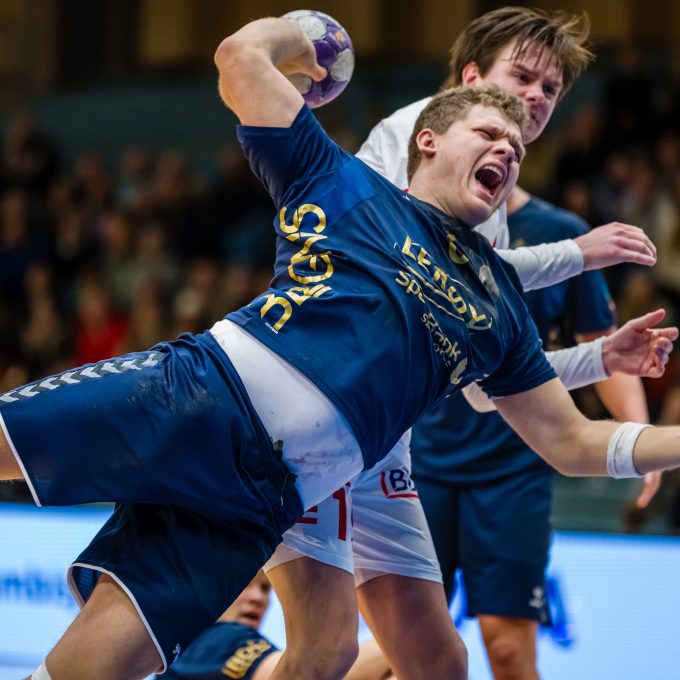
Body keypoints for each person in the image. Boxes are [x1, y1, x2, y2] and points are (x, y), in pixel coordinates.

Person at [1, 15, 677, 680]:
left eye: (518, 144)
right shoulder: (347, 181)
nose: (509, 144)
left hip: (265, 498)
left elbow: (572, 441)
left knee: (121, 665)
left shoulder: (499, 306)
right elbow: (239, 57)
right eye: (488, 132)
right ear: (428, 139)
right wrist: (303, 33)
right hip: (197, 395)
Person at [262, 8, 657, 680]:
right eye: (521, 77)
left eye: (550, 89)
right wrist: (578, 253)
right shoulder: (418, 138)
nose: (536, 96)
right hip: (329, 408)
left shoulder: (486, 207)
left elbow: (482, 379)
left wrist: (601, 357)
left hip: (400, 438)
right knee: (332, 648)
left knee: (430, 658)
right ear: (469, 81)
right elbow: (408, 268)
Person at [159, 570, 394, 680]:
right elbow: (314, 673)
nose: (258, 598)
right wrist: (405, 641)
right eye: (244, 585)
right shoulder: (210, 640)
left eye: (264, 589)